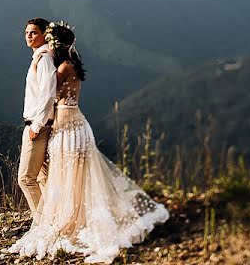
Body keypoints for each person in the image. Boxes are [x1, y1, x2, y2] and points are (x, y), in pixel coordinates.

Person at [9, 21, 169, 264]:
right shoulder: (69, 65)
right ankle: (67, 213)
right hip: (73, 123)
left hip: (65, 126)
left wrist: (36, 124)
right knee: (69, 173)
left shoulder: (59, 67)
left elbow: (47, 95)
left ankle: (57, 219)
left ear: (56, 44)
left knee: (62, 173)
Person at [18, 17, 57, 220]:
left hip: (38, 126)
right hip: (36, 124)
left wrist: (36, 125)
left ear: (44, 34)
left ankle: (42, 224)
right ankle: (51, 219)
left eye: (33, 32)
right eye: (26, 33)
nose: (28, 36)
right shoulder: (39, 57)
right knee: (42, 177)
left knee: (26, 179)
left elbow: (48, 94)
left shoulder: (44, 60)